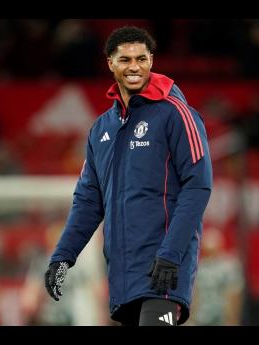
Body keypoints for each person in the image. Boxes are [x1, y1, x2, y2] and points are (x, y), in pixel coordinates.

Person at [43, 26, 212, 326]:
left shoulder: (176, 114)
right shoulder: (101, 130)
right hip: (122, 274)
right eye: (125, 59)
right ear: (110, 63)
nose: (134, 66)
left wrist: (171, 253)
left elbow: (198, 186)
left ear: (151, 60)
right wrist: (62, 256)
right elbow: (88, 201)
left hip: (165, 269)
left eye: (141, 59)